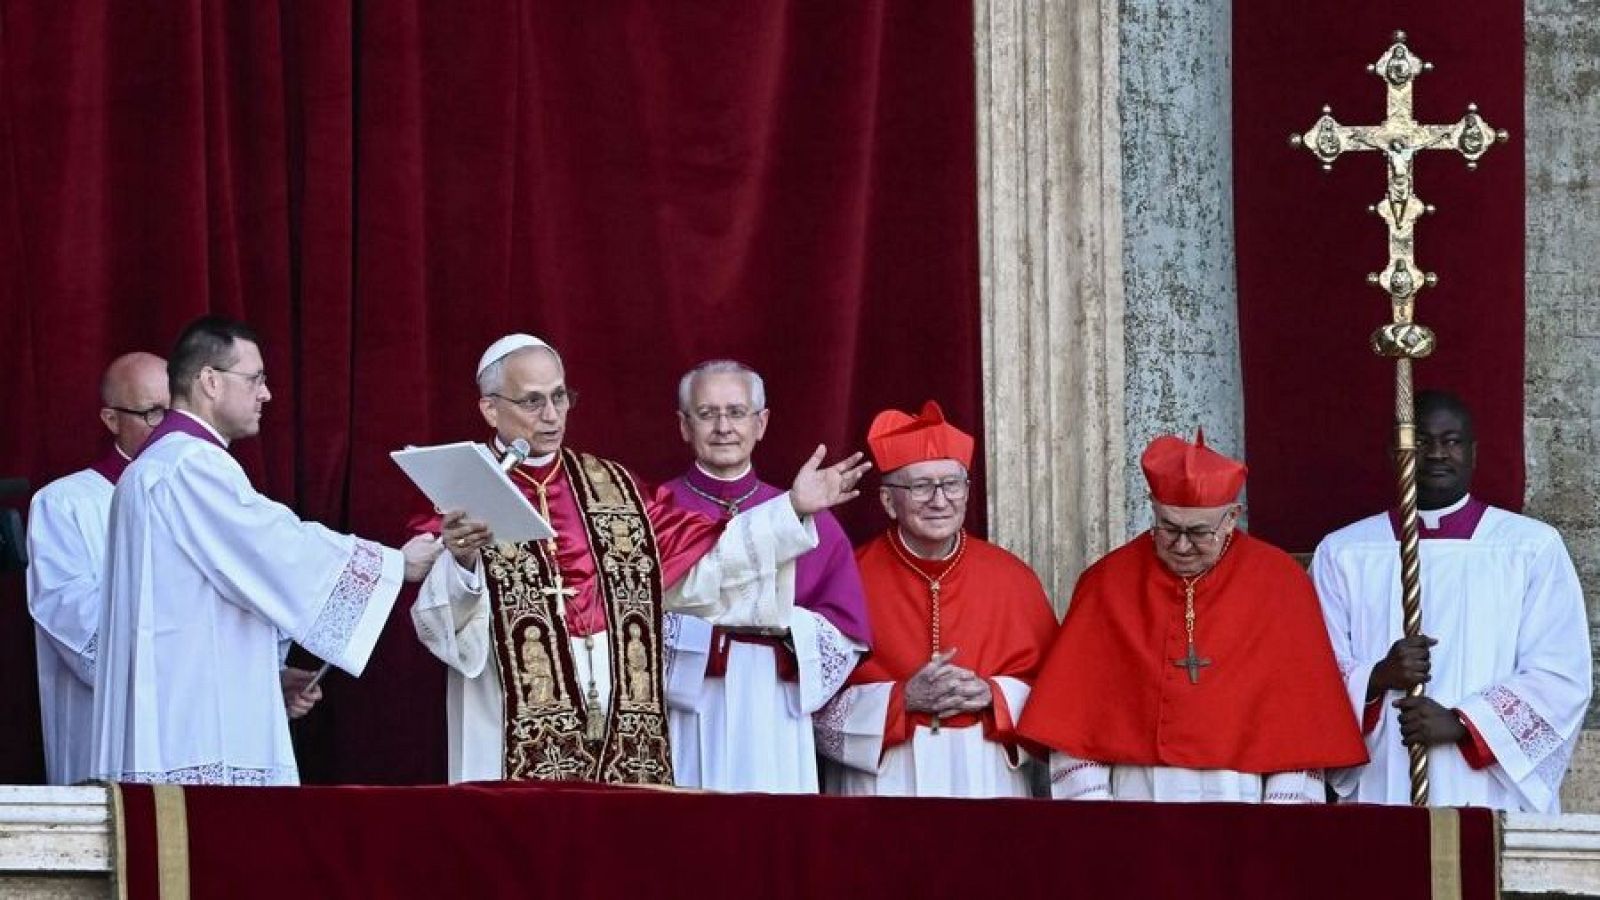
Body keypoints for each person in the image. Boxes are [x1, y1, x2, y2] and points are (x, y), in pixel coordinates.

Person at [410, 335, 869, 784]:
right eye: (532, 402)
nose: (551, 416)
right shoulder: (461, 489)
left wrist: (792, 510)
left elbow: (700, 568)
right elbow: (441, 623)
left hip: (617, 727)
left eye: (560, 397)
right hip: (507, 718)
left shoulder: (615, 488)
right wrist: (463, 560)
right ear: (491, 408)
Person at [92, 317, 440, 786]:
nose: (266, 393)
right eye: (254, 378)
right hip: (194, 727)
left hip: (182, 704)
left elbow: (213, 596)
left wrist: (270, 676)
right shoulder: (189, 465)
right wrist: (395, 564)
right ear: (210, 381)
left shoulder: (159, 465)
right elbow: (276, 549)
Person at [1019, 431, 1366, 802]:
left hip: (1243, 801)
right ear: (1152, 507)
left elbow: (1299, 732)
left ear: (1232, 518)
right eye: (1168, 528)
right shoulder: (1107, 582)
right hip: (1135, 800)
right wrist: (1102, 822)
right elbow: (1075, 723)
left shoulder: (1280, 584)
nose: (1182, 545)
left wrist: (1277, 828)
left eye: (1199, 532)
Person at [1313, 390, 1592, 812]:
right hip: (1385, 774)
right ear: (1395, 452)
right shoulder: (1345, 553)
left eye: (1452, 441)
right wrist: (1377, 677)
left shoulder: (1530, 548)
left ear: (1474, 453)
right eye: (1420, 441)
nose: (1436, 454)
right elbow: (1313, 672)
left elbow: (1561, 676)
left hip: (1487, 789)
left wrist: (1465, 724)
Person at [815, 400, 1056, 798]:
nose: (939, 500)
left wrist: (992, 695)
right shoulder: (847, 578)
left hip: (985, 776)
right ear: (889, 501)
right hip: (884, 781)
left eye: (951, 484)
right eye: (921, 486)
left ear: (966, 492)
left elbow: (1058, 700)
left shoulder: (1013, 579)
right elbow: (809, 708)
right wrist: (901, 699)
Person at [661, 360, 872, 793]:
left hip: (774, 703)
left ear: (761, 423)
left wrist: (785, 630)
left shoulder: (813, 518)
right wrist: (702, 639)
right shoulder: (657, 512)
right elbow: (632, 615)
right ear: (684, 425)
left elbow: (846, 629)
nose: (723, 427)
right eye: (707, 413)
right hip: (685, 701)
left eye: (737, 412)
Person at [26, 353, 167, 784]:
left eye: (174, 411)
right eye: (152, 413)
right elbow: (80, 628)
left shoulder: (207, 498)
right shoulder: (64, 504)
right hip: (108, 737)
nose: (168, 429)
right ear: (111, 419)